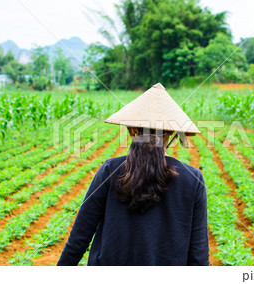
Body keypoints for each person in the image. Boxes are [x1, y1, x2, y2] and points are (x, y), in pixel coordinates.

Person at [57, 83, 209, 266]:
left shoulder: (110, 170)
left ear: (132, 130)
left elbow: (79, 238)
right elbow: (198, 255)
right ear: (171, 133)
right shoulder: (192, 179)